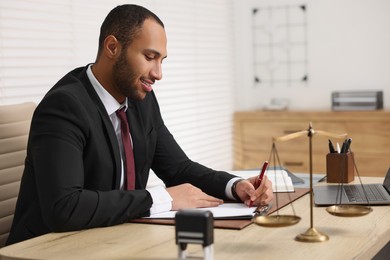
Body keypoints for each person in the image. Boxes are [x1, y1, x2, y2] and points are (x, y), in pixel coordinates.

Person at [6, 4, 273, 245]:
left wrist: (235, 186)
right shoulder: (64, 107)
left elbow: (177, 168)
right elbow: (65, 208)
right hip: (49, 248)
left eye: (161, 60)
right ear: (112, 48)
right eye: (149, 57)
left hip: (114, 239)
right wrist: (163, 198)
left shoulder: (141, 99)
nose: (158, 73)